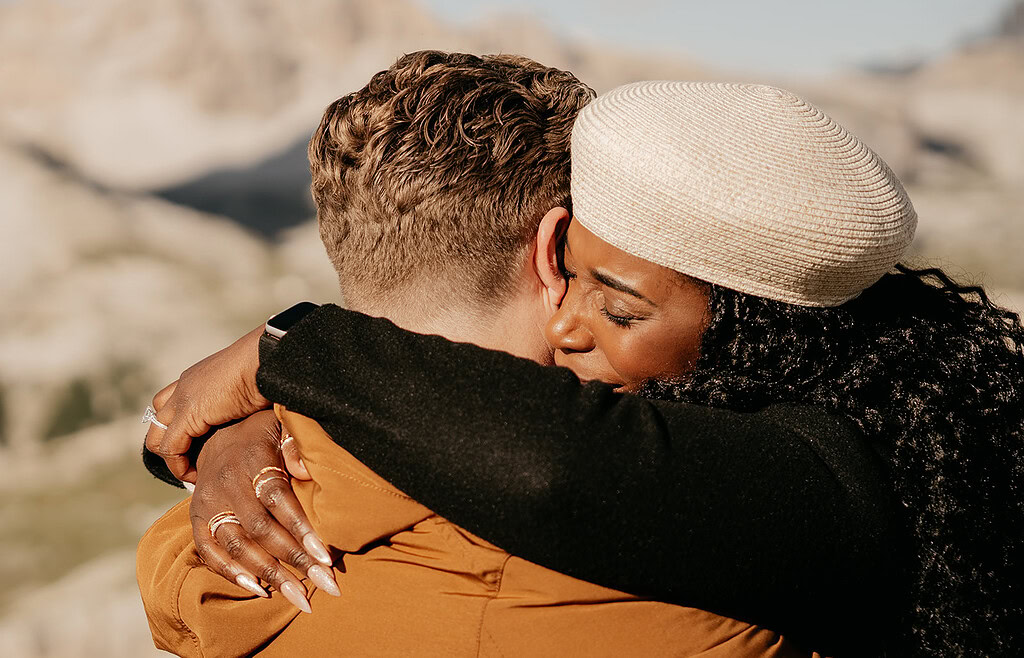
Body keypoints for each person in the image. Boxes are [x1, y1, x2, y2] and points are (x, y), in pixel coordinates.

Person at [148, 78, 1024, 656]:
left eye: (619, 306)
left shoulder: (835, 478)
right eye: (566, 273)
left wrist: (290, 350)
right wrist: (252, 425)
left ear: (758, 329)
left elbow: (556, 469)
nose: (563, 325)